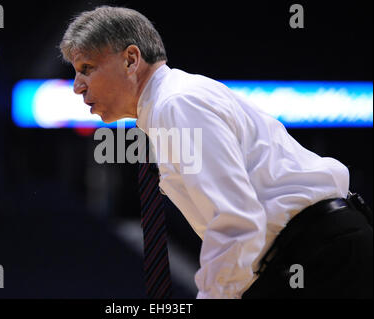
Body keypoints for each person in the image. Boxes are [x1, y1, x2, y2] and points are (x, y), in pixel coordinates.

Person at [59, 6, 373, 298]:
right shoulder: (172, 102)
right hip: (317, 254)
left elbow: (236, 219)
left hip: (322, 258)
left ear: (130, 60)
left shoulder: (176, 104)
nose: (77, 86)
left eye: (87, 68)